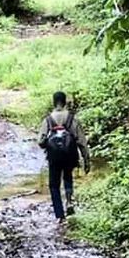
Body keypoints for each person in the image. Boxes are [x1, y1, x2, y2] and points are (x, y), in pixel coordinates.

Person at [38, 91, 90, 222]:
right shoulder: (72, 119)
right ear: (65, 102)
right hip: (69, 155)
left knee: (54, 185)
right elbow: (81, 141)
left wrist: (48, 143)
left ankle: (60, 215)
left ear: (54, 102)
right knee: (68, 176)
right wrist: (86, 159)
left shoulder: (48, 120)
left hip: (54, 157)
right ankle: (69, 201)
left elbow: (40, 141)